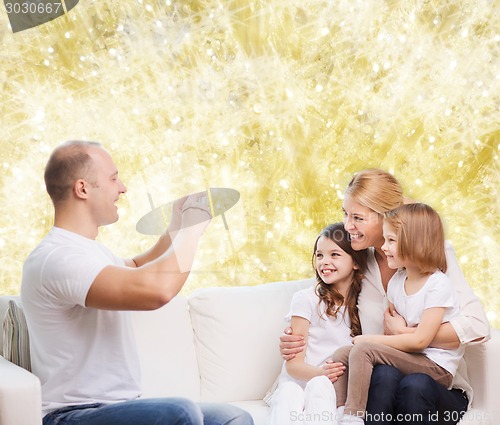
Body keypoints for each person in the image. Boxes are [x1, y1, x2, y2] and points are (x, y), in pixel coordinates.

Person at [21, 140, 254, 425]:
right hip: (73, 415)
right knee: (181, 413)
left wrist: (176, 226)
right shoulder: (56, 258)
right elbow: (156, 290)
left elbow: (135, 267)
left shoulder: (88, 251)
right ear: (82, 189)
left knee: (234, 418)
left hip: (122, 407)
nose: (122, 188)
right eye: (113, 178)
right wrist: (192, 230)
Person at [279, 169, 490, 425]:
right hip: (382, 382)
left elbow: (478, 326)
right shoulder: (359, 263)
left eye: (357, 217)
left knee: (414, 384)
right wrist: (296, 342)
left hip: (433, 386)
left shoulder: (433, 256)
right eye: (346, 214)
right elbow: (324, 300)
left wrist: (408, 333)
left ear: (387, 216)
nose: (348, 226)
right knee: (383, 376)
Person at [333, 203, 465, 424]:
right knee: (341, 354)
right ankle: (337, 411)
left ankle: (352, 417)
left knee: (363, 348)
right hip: (411, 359)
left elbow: (420, 340)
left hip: (436, 366)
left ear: (415, 242)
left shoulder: (437, 284)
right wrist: (378, 339)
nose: (383, 247)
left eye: (391, 241)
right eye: (385, 240)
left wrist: (367, 340)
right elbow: (392, 337)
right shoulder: (397, 282)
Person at [268, 223, 368, 425]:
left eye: (334, 255)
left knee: (321, 389)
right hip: (299, 381)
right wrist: (321, 373)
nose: (324, 262)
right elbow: (294, 365)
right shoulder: (306, 299)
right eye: (319, 255)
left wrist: (324, 378)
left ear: (356, 262)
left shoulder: (364, 304)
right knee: (290, 392)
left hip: (330, 389)